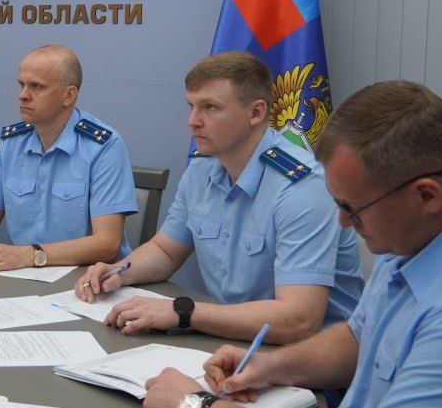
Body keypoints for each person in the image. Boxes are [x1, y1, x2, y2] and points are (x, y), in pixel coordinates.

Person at [141, 81, 442, 408]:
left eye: (352, 209)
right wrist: (273, 366)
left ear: (427, 194)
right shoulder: (414, 237)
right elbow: (356, 338)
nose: (342, 223)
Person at [75, 51, 363, 344]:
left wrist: (183, 313)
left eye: (210, 107)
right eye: (191, 106)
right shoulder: (201, 170)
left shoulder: (301, 188)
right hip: (230, 338)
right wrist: (120, 272)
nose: (192, 121)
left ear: (256, 112)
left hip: (309, 357)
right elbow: (165, 251)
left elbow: (299, 320)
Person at [0, 46, 136, 272]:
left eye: (37, 86)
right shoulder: (13, 143)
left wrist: (31, 254)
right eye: (21, 84)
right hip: (26, 273)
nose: (23, 95)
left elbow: (107, 243)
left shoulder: (103, 146)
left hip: (88, 277)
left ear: (68, 95)